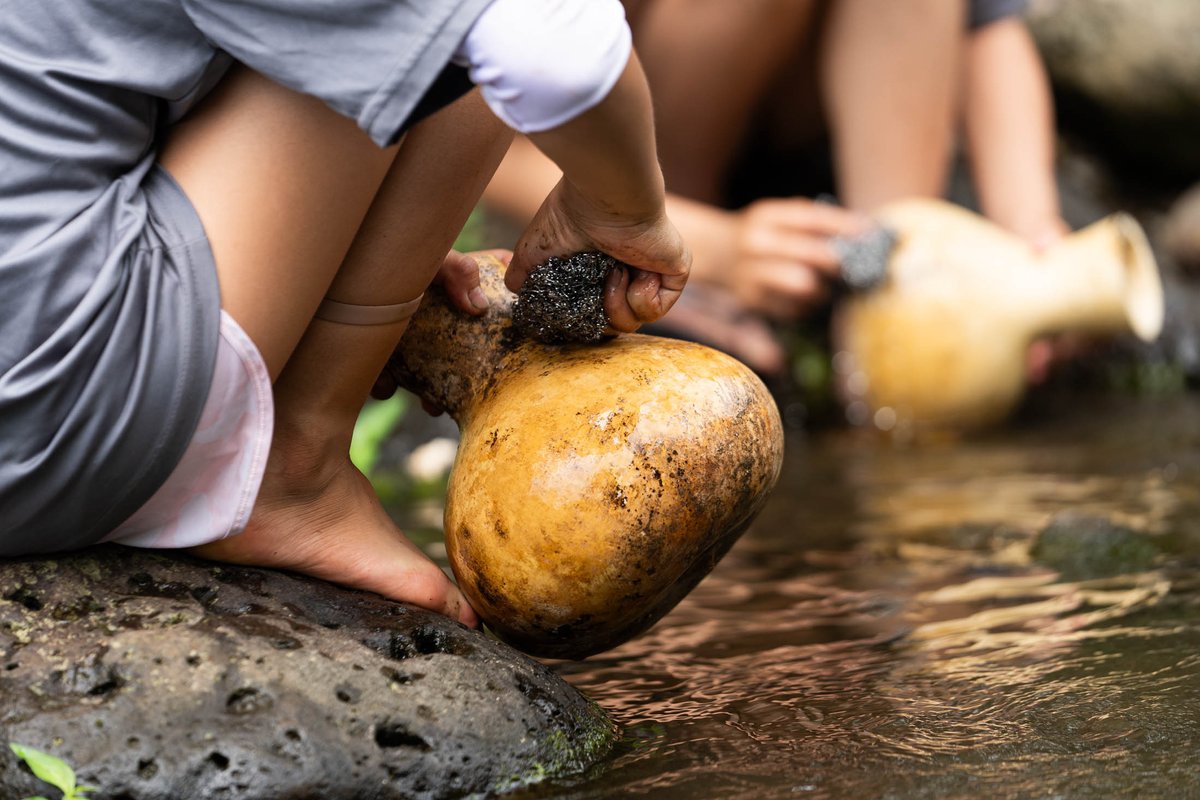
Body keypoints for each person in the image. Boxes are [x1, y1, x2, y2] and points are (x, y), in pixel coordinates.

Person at [0, 0, 689, 626]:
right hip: (62, 415)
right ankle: (296, 464)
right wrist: (622, 208)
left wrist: (350, 240)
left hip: (42, 386)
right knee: (460, 30)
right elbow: (552, 55)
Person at [484, 0, 1066, 377]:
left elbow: (987, 28)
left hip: (830, 139)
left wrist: (1030, 231)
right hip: (646, 175)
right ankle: (659, 277)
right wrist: (717, 247)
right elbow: (489, 136)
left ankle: (896, 295)